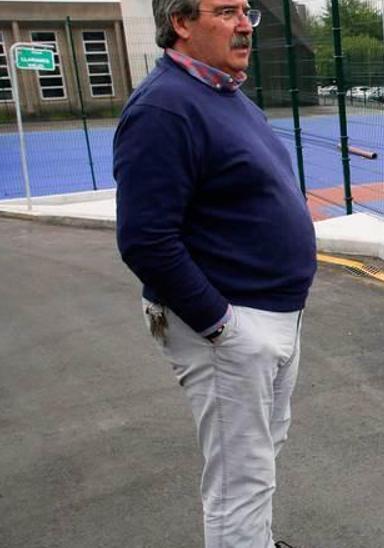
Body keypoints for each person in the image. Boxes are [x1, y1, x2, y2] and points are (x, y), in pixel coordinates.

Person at [113, 0, 316, 546]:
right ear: (181, 23)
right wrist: (221, 326)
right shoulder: (164, 110)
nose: (245, 24)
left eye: (246, 10)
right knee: (239, 477)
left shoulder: (225, 95)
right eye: (225, 11)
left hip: (272, 315)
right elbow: (145, 240)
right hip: (231, 325)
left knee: (260, 454)